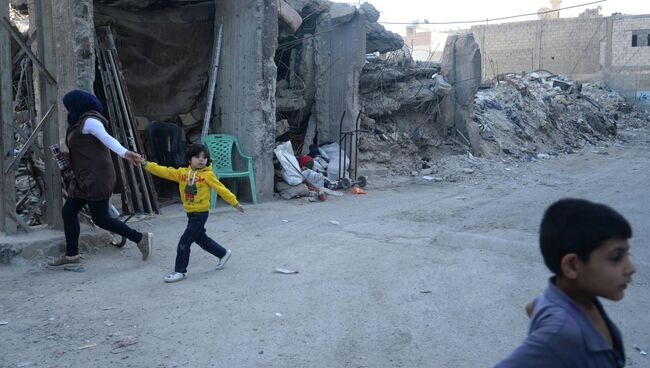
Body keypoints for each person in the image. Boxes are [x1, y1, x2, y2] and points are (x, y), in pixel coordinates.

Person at [495, 198, 636, 368]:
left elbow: (532, 306)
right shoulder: (562, 333)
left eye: (628, 255)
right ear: (572, 266)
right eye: (616, 257)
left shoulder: (581, 300)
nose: (630, 268)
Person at [47, 89, 153, 270]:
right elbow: (84, 149)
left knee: (101, 219)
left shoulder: (90, 121)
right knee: (69, 211)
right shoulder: (79, 122)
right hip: (84, 177)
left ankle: (140, 238)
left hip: (97, 178)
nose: (67, 110)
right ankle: (72, 256)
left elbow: (108, 139)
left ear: (77, 105)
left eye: (69, 107)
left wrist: (125, 153)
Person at [138, 144, 245, 283]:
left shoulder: (208, 175)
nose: (201, 160)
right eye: (197, 157)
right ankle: (223, 253)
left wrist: (235, 203)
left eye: (204, 157)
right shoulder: (182, 173)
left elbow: (222, 189)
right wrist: (145, 164)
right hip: (190, 213)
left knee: (184, 242)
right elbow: (163, 171)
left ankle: (180, 271)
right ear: (189, 159)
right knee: (201, 239)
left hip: (200, 214)